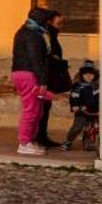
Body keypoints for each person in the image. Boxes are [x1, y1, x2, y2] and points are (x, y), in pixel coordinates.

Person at [11, 6, 57, 156]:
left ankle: (30, 141)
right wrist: (42, 81)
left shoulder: (27, 32)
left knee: (38, 110)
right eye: (47, 21)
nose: (48, 23)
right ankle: (24, 143)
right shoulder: (32, 35)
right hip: (29, 75)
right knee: (31, 110)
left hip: (24, 73)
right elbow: (36, 59)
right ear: (41, 21)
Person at [34, 9, 71, 149]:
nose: (60, 26)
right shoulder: (46, 36)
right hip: (44, 77)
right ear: (49, 22)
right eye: (58, 23)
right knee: (41, 107)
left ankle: (42, 136)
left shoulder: (52, 36)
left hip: (50, 75)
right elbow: (47, 57)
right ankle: (38, 137)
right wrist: (61, 63)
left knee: (46, 107)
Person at [67, 60, 100, 151]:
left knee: (101, 126)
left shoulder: (96, 86)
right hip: (82, 110)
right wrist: (75, 106)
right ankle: (68, 141)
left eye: (91, 74)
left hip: (95, 109)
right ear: (82, 75)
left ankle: (99, 142)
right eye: (86, 74)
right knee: (77, 127)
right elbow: (73, 98)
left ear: (95, 75)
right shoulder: (78, 86)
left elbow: (100, 97)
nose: (89, 76)